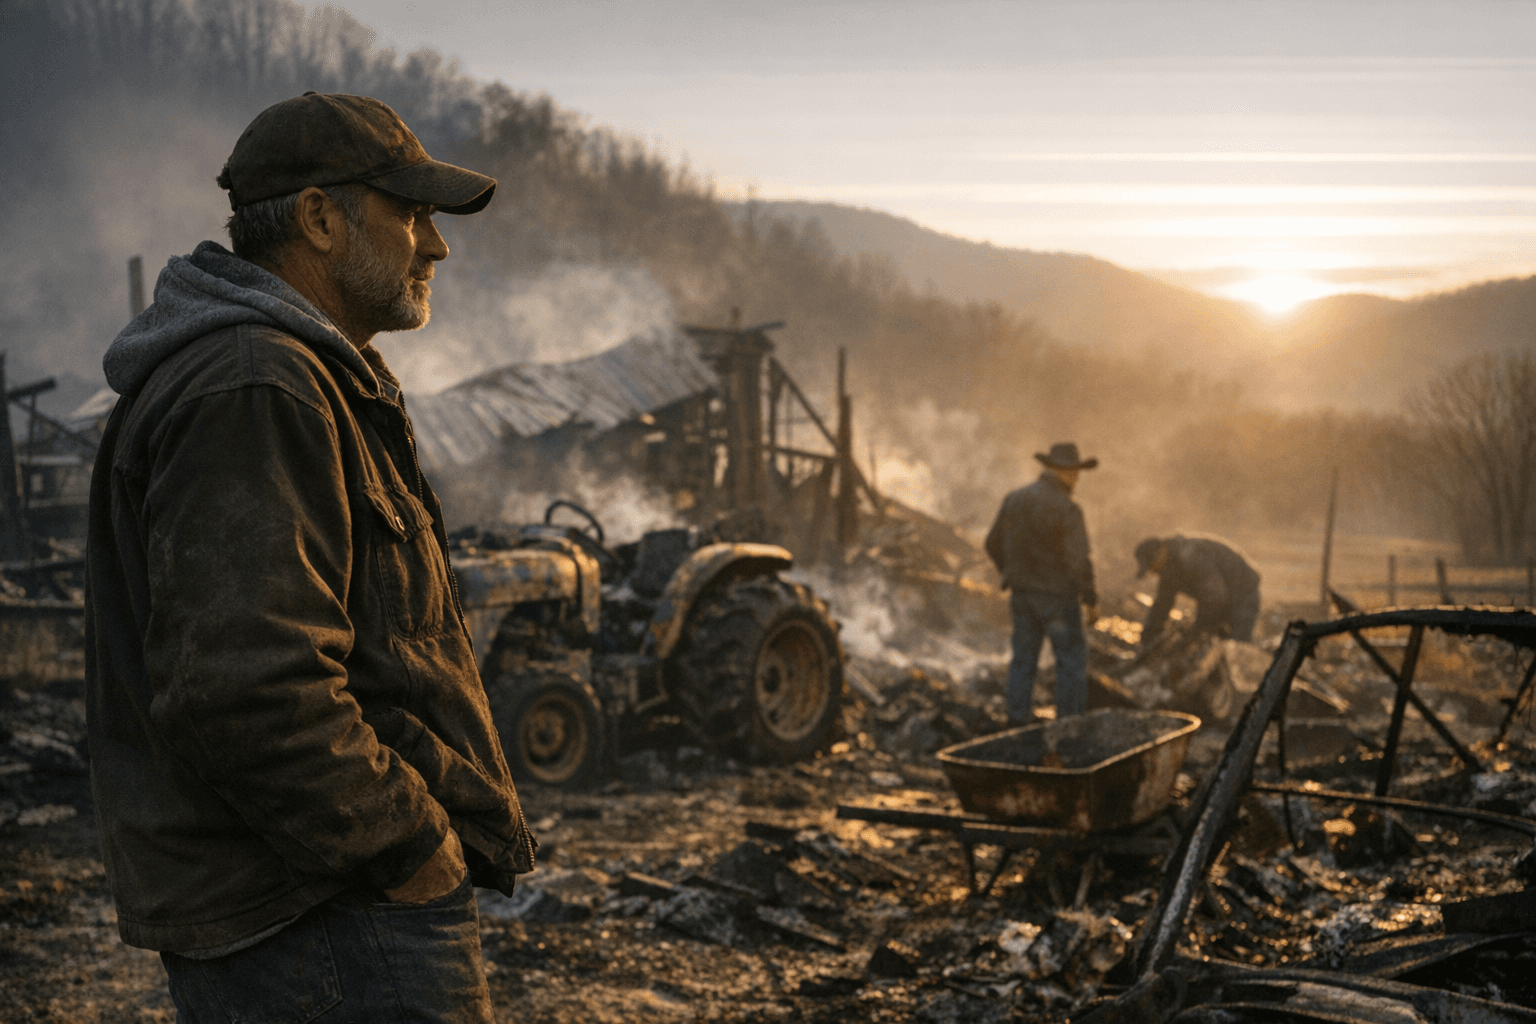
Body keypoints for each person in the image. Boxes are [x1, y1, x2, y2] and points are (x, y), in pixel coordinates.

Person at [84, 93, 532, 1022]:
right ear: (321, 218)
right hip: (323, 914)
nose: (436, 247)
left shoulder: (288, 375)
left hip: (315, 906)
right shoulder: (259, 385)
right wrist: (409, 848)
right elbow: (249, 689)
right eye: (410, 215)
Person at [985, 442, 1100, 724]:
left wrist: (1011, 573)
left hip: (1022, 597)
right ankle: (1069, 729)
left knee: (1023, 662)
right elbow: (1079, 561)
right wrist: (1091, 600)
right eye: (1072, 471)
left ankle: (1015, 725)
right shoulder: (1068, 508)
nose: (1076, 477)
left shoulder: (1014, 499)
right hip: (1058, 599)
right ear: (1061, 471)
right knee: (1071, 663)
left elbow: (992, 544)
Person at [1134, 534, 1262, 645]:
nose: (1152, 572)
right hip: (1224, 596)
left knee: (1236, 643)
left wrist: (1199, 630)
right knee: (1215, 642)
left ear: (1160, 553)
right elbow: (1162, 605)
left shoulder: (1190, 556)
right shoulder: (1169, 568)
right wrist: (1147, 636)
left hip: (1244, 592)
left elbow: (1215, 596)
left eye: (1151, 566)